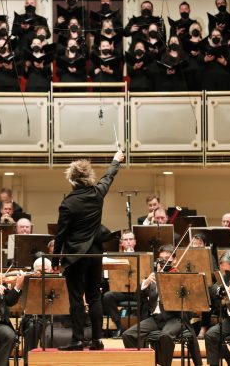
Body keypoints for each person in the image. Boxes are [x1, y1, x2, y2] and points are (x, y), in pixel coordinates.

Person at [53, 149, 124, 351]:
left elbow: (61, 234)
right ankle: (96, 340)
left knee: (76, 298)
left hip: (75, 256)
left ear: (72, 179)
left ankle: (77, 340)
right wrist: (115, 160)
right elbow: (109, 176)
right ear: (89, 176)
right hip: (94, 253)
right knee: (94, 296)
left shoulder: (68, 203)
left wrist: (56, 259)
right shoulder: (97, 194)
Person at [103, 230, 138, 338]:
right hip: (122, 291)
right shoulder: (115, 258)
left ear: (135, 242)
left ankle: (140, 329)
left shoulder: (143, 256)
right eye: (125, 240)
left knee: (149, 296)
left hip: (138, 292)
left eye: (130, 239)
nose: (128, 242)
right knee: (107, 296)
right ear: (122, 243)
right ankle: (119, 327)